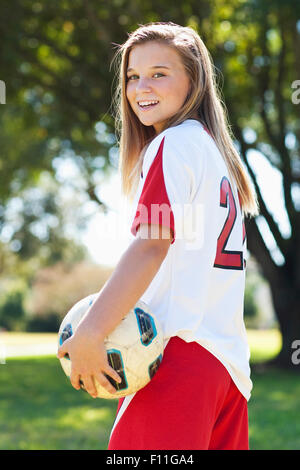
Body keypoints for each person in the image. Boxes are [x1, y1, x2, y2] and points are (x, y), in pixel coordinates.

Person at [57, 21, 259, 450]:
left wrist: (93, 331)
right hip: (226, 372)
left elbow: (151, 243)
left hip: (173, 361)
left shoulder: (173, 145)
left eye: (159, 73)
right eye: (132, 76)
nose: (140, 86)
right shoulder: (218, 156)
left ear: (195, 81)